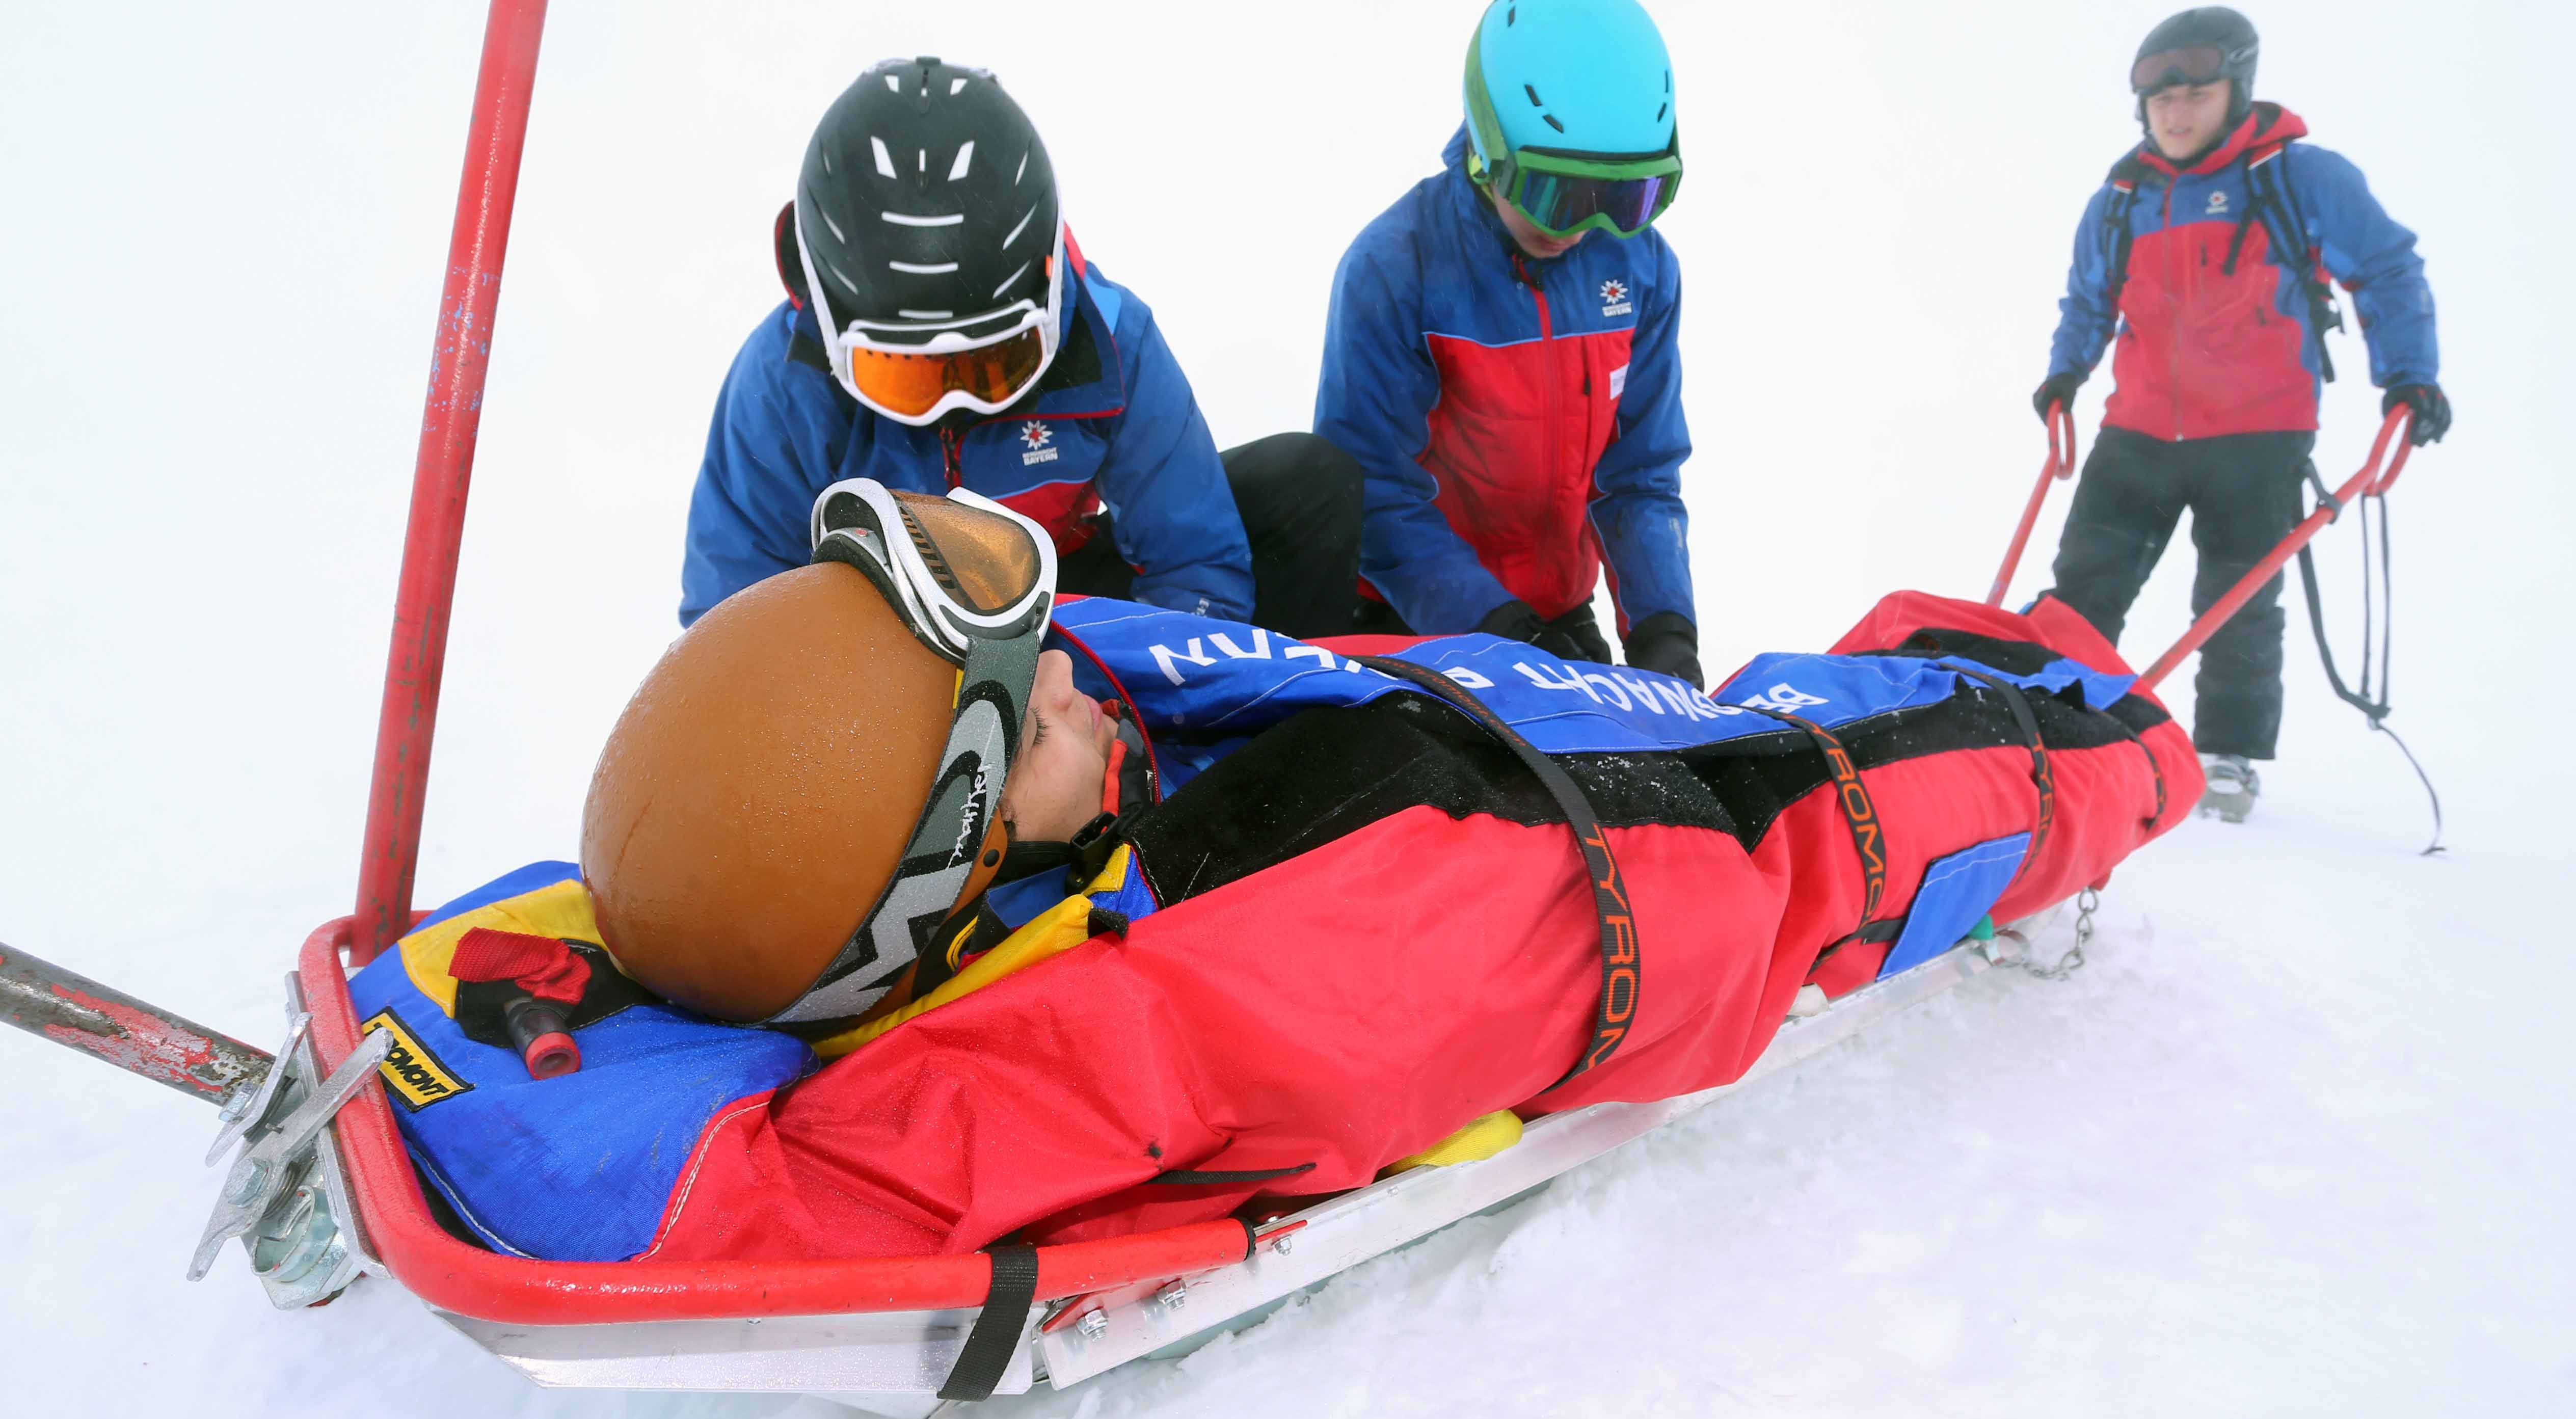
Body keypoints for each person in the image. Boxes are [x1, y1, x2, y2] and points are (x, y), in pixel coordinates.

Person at [344, 481, 2193, 1266]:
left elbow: (567, 925)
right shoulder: (1131, 1019)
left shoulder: (980, 816)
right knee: (1907, 788)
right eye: (1027, 700)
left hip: (1494, 731)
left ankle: (2001, 667)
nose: (1068, 665)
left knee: (1830, 696)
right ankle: (2113, 733)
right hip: (1657, 870)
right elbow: (755, 1201)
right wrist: (2126, 762)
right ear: (952, 848)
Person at [682, 56, 1361, 637]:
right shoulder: (782, 390)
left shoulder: (1110, 338)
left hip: (1048, 619)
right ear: (831, 324)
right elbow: (733, 630)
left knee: (1306, 488)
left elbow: (1195, 563)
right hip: (883, 657)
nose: (952, 404)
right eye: (902, 373)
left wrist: (1129, 725)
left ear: (1047, 296)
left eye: (992, 364)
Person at [2033, 8, 2445, 822]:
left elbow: (2389, 270)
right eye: (2161, 101)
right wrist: (2063, 375)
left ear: (2237, 90)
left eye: (2196, 93)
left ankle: (2227, 762)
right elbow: (2089, 300)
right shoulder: (2120, 200)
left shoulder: (2298, 179)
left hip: (2258, 433)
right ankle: (2047, 729)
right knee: (2083, 588)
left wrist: (2410, 379)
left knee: (2239, 603)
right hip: (2139, 429)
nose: (2177, 113)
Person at [1315, 0, 1701, 686]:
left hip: (1552, 615)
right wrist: (1493, 628)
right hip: (1419, 614)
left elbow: (1639, 475)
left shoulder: (1641, 271)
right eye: (1555, 193)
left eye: (1623, 199)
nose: (1580, 228)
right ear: (1491, 146)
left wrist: (1666, 631)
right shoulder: (1398, 268)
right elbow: (1374, 487)